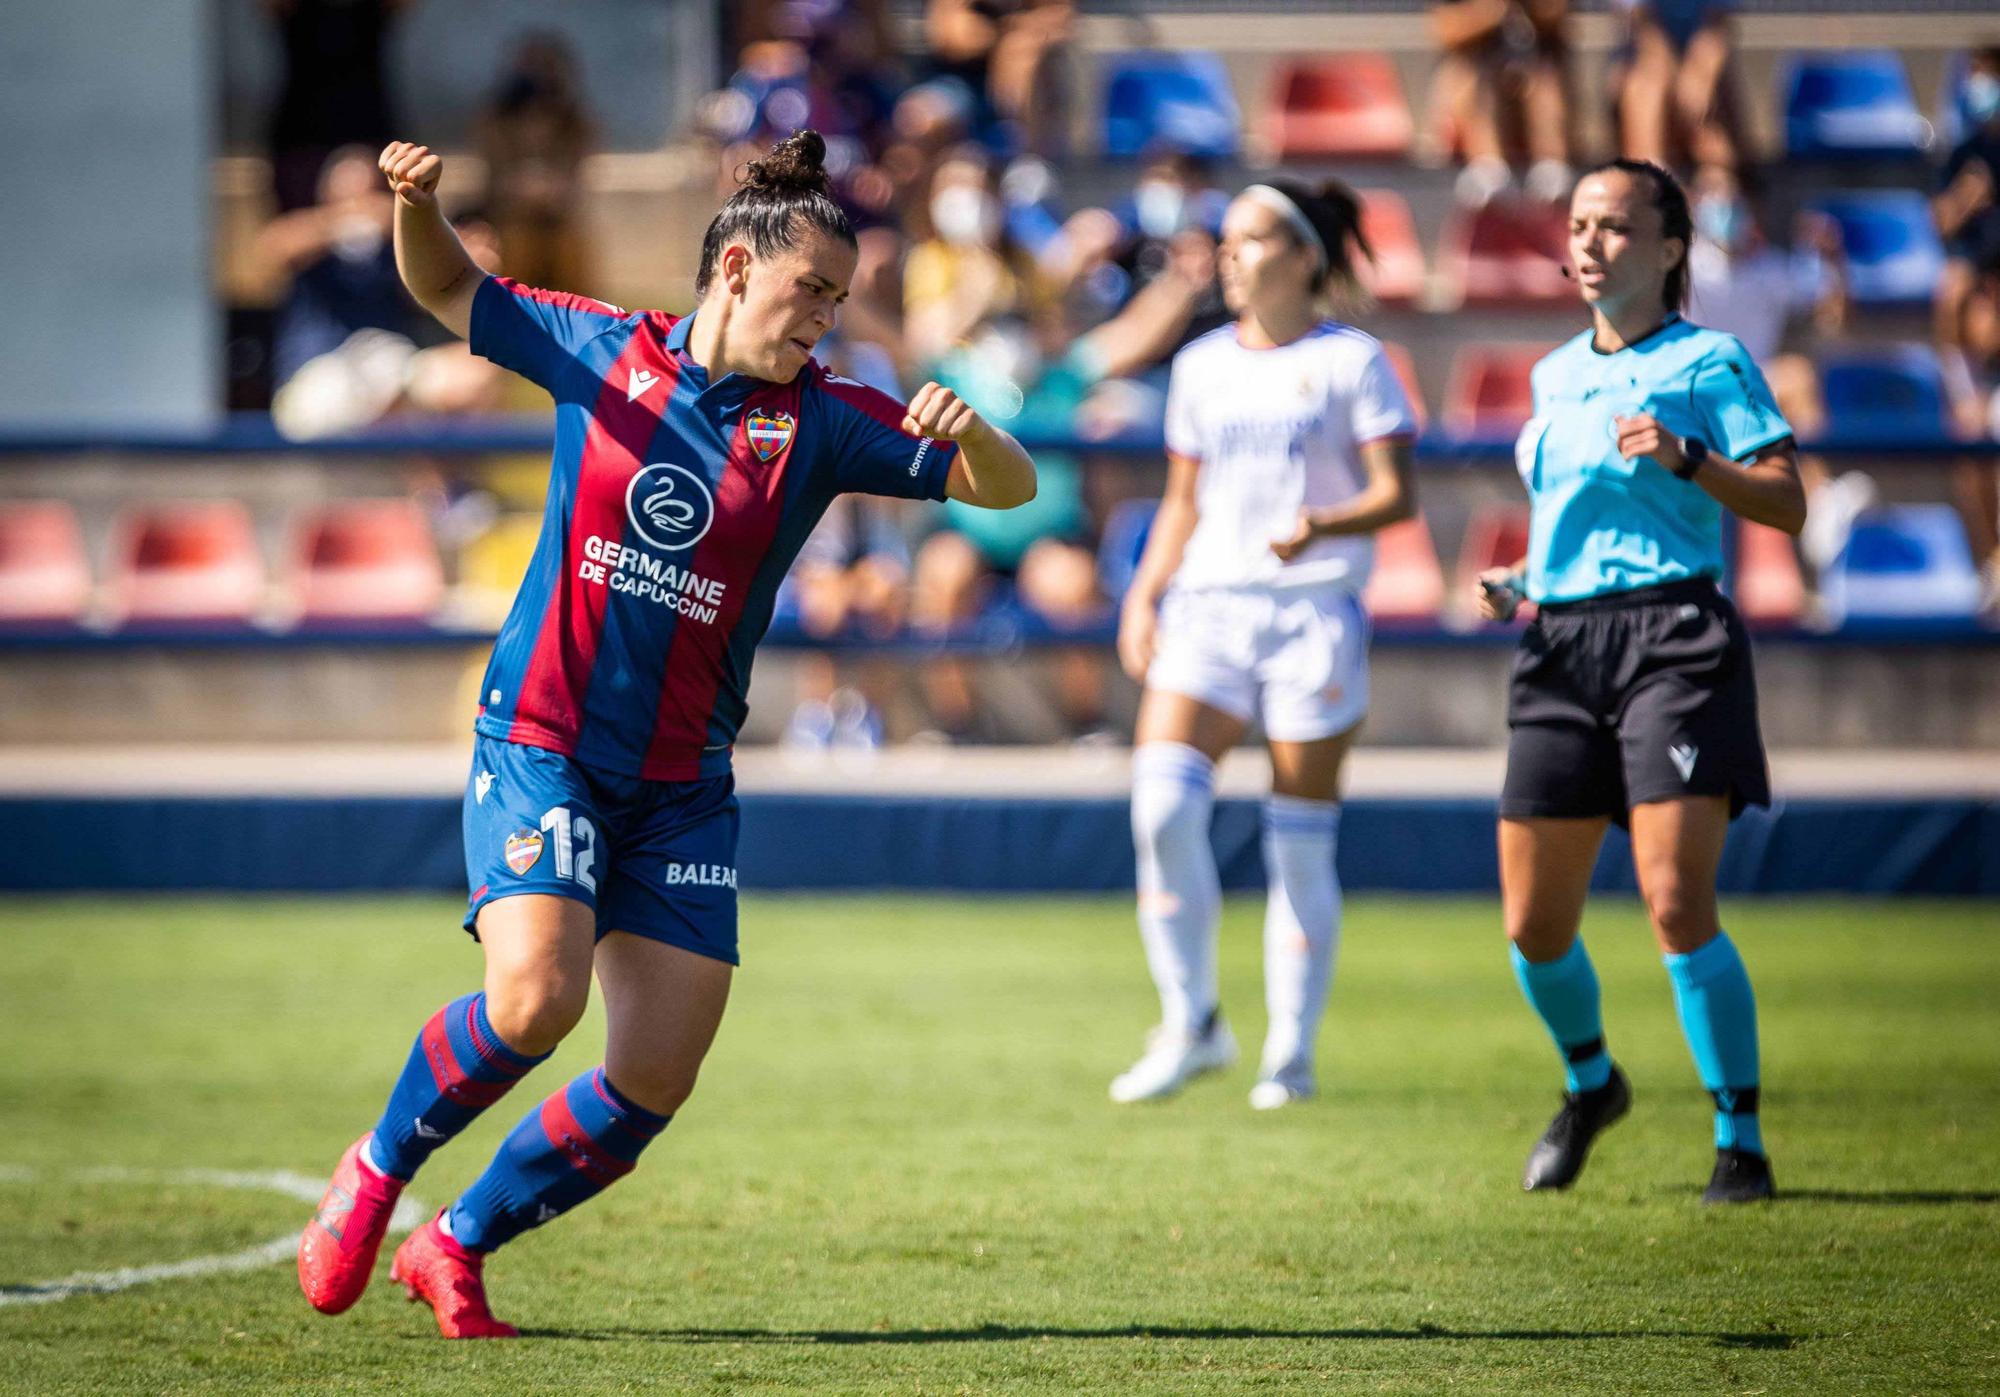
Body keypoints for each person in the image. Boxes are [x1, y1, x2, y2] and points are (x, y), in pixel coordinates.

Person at [296, 129, 1036, 1339]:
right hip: (545, 741)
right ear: (736, 268)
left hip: (683, 782)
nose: (824, 320)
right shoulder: (602, 348)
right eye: (811, 293)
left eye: (839, 302)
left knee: (651, 1075)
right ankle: (376, 1167)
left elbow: (1007, 492)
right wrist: (414, 205)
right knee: (535, 1001)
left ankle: (458, 1240)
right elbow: (441, 290)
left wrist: (970, 431)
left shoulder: (831, 419)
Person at [1473, 160, 1804, 1204]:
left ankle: (1736, 1139)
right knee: (1531, 925)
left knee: (1672, 897)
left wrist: (1687, 457)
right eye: (1576, 224)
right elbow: (1575, 525)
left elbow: (1785, 504)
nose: (1586, 243)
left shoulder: (1709, 359)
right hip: (1559, 647)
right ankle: (1589, 1082)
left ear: (1667, 249)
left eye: (1613, 226)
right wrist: (1523, 579)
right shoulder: (1551, 374)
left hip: (1673, 641)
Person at [1110, 178, 1419, 1110]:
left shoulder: (1353, 361)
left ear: (1305, 255)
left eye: (1251, 240)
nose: (1231, 256)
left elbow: (1396, 495)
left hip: (1312, 614)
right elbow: (1182, 501)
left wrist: (1322, 524)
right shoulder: (1202, 363)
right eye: (1228, 240)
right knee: (1160, 809)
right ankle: (1193, 1022)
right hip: (1209, 607)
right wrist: (1143, 594)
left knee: (1298, 845)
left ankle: (1289, 1051)